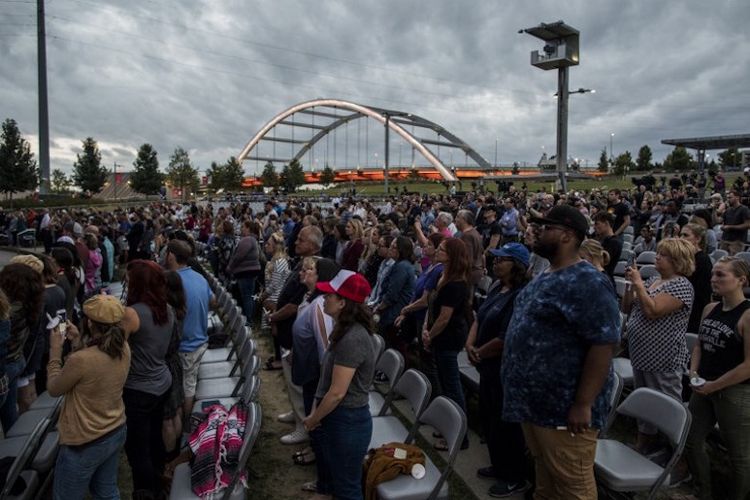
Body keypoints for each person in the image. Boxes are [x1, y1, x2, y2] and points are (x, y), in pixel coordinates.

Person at [502, 205, 620, 499]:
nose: (538, 231)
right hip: (535, 405)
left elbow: (603, 344)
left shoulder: (589, 281)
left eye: (546, 227)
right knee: (546, 480)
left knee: (573, 485)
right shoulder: (546, 274)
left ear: (567, 235)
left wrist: (583, 403)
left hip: (563, 409)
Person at [47, 295, 132, 500]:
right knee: (107, 492)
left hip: (84, 441)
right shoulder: (123, 347)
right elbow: (95, 365)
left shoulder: (81, 360)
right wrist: (78, 341)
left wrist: (55, 352)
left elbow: (54, 389)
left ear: (90, 322)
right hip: (114, 429)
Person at [303, 270, 376, 500]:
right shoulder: (343, 329)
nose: (323, 299)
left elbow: (336, 392)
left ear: (343, 303)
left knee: (348, 489)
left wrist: (313, 419)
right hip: (341, 419)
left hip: (348, 422)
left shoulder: (352, 338)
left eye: (329, 296)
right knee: (341, 482)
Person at [466, 243, 531, 497]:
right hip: (486, 365)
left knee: (506, 423)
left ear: (516, 265)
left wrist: (479, 352)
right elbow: (479, 317)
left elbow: (507, 338)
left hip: (505, 369)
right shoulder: (496, 287)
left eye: (501, 259)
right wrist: (470, 344)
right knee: (489, 417)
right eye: (494, 258)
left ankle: (515, 476)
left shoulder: (520, 295)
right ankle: (499, 464)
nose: (495, 262)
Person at [685, 257, 750, 500]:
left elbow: (749, 365)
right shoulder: (710, 309)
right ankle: (704, 491)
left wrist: (715, 385)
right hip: (703, 387)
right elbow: (700, 345)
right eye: (713, 274)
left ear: (741, 280)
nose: (714, 279)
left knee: (739, 456)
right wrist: (693, 373)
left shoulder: (747, 315)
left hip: (734, 392)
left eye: (721, 275)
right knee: (691, 441)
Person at [623, 238, 695, 453]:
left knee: (667, 404)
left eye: (662, 255)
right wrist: (630, 285)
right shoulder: (654, 279)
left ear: (676, 260)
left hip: (663, 357)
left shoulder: (682, 285)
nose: (657, 257)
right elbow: (627, 307)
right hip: (641, 354)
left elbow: (653, 311)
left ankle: (676, 455)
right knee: (645, 401)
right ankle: (644, 443)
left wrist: (637, 284)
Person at [123, 259, 175, 499]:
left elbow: (113, 348)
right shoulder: (166, 308)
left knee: (137, 449)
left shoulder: (133, 314)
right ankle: (158, 482)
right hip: (161, 381)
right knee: (154, 439)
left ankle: (145, 492)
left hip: (139, 388)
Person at [422, 237, 472, 450]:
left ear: (452, 255)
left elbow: (445, 318)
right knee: (445, 384)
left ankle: (460, 435)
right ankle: (448, 425)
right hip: (437, 336)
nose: (437, 251)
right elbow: (431, 304)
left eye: (442, 249)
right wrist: (426, 328)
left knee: (452, 387)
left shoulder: (456, 284)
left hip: (448, 339)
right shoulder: (442, 275)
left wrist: (429, 335)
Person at [290, 258, 339, 469]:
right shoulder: (315, 299)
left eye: (313, 270)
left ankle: (320, 460)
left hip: (316, 372)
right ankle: (314, 448)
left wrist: (323, 382)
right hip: (309, 367)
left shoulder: (321, 304)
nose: (307, 272)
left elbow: (324, 344)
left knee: (315, 415)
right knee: (312, 411)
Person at [165, 239, 213, 418]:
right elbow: (213, 301)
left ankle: (186, 430)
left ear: (170, 256)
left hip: (186, 348)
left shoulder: (173, 282)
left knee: (186, 389)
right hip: (200, 341)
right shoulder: (199, 277)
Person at [0, 261, 44, 431]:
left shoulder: (7, 312)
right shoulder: (31, 305)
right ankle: (16, 448)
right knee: (10, 413)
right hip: (18, 360)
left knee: (19, 403)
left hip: (7, 364)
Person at [163, 270, 186, 460]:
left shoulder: (167, 310)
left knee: (168, 418)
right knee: (176, 409)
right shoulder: (179, 306)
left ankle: (170, 459)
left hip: (168, 363)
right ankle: (176, 449)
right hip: (175, 361)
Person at [680, 222, 714, 334]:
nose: (681, 238)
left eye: (686, 235)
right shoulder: (686, 259)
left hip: (694, 312)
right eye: (681, 235)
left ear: (698, 239)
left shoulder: (703, 260)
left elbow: (700, 293)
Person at [226, 220, 262, 324]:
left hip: (246, 272)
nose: (241, 229)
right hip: (250, 272)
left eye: (243, 227)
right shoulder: (253, 240)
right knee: (249, 296)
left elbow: (238, 256)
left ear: (248, 228)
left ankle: (248, 320)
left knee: (246, 297)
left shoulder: (247, 240)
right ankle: (250, 317)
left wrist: (230, 267)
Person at [593, 211, 623, 281]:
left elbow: (602, 262)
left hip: (605, 280)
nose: (594, 227)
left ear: (606, 224)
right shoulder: (603, 240)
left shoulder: (614, 242)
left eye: (597, 224)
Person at [720, 190, 750, 255]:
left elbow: (748, 224)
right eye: (727, 198)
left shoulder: (744, 209)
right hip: (725, 239)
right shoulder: (728, 210)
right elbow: (720, 222)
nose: (728, 199)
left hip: (737, 241)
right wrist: (714, 209)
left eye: (730, 197)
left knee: (732, 262)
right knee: (722, 260)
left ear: (737, 197)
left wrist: (730, 227)